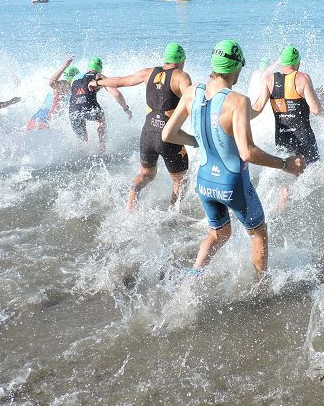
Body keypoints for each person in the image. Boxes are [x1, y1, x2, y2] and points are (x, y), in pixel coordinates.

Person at [162, 40, 306, 275]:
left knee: (218, 233)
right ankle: (261, 289)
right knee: (258, 233)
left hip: (205, 182)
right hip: (232, 184)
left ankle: (192, 278)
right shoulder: (237, 101)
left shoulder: (191, 93)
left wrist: (196, 141)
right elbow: (247, 152)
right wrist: (284, 164)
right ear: (236, 67)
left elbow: (168, 134)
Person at [99, 43, 192, 210]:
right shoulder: (181, 76)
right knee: (180, 179)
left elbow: (120, 81)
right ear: (181, 61)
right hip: (169, 136)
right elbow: (192, 103)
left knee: (146, 174)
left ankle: (132, 198)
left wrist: (98, 82)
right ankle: (174, 213)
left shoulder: (148, 72)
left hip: (148, 134)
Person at [251, 45, 322, 209]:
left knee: (289, 168)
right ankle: (290, 194)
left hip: (282, 137)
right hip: (304, 136)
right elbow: (316, 110)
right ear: (297, 62)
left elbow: (257, 107)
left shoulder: (269, 80)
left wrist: (239, 116)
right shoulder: (302, 78)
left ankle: (281, 200)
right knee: (314, 171)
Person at [68, 57, 131, 153]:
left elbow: (76, 95)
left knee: (82, 139)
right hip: (89, 107)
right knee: (100, 118)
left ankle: (79, 155)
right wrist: (126, 108)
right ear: (100, 67)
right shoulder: (98, 75)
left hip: (73, 111)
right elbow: (116, 94)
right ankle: (102, 151)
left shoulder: (74, 78)